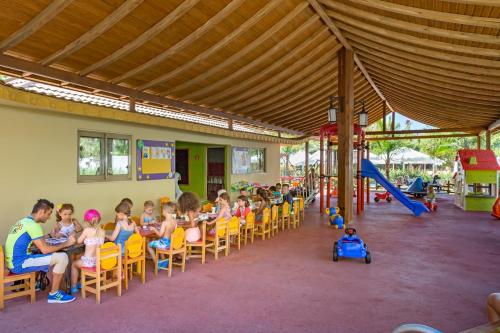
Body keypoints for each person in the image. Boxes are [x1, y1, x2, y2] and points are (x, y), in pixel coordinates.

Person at [5, 199, 76, 303]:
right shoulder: (34, 225)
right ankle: (54, 294)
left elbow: (33, 240)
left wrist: (50, 235)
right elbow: (45, 249)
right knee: (62, 257)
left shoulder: (23, 222)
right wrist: (67, 243)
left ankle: (37, 284)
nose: (49, 217)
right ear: (41, 212)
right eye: (48, 214)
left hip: (11, 262)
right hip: (19, 264)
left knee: (41, 253)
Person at [70, 209, 105, 294]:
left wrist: (72, 237)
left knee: (74, 264)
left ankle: (74, 286)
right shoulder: (103, 231)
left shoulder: (87, 230)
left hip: (88, 263)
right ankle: (82, 283)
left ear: (87, 221)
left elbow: (78, 241)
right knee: (81, 256)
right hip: (98, 262)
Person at [147, 202, 177, 269]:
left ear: (165, 211)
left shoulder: (164, 223)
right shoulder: (174, 221)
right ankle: (163, 260)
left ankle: (156, 262)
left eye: (162, 210)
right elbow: (174, 231)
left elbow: (160, 235)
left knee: (148, 245)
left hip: (164, 243)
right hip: (170, 242)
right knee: (158, 243)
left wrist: (154, 229)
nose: (162, 212)